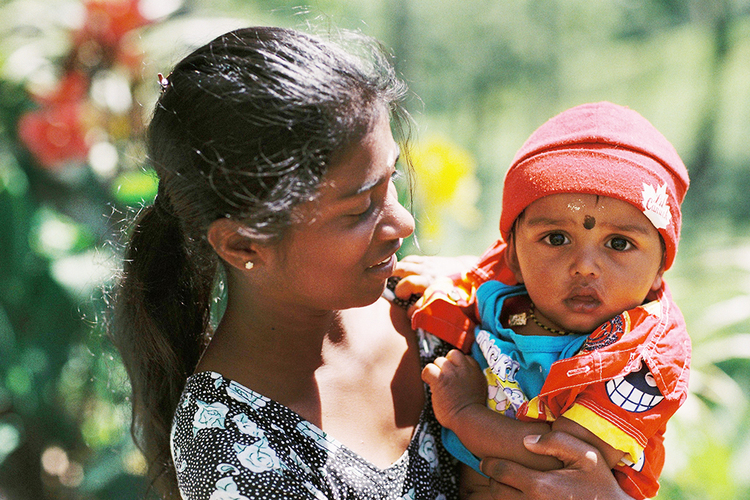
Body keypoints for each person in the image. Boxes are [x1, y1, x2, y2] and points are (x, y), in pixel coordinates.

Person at [108, 26, 643, 500]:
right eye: (361, 207)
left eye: (391, 184)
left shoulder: (429, 309)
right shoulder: (232, 447)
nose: (403, 223)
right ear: (244, 245)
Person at [414, 102, 691, 500]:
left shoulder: (648, 353)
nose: (584, 267)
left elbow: (567, 459)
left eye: (619, 243)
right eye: (556, 239)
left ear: (661, 268)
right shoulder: (506, 295)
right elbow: (486, 268)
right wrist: (450, 277)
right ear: (514, 256)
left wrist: (465, 414)